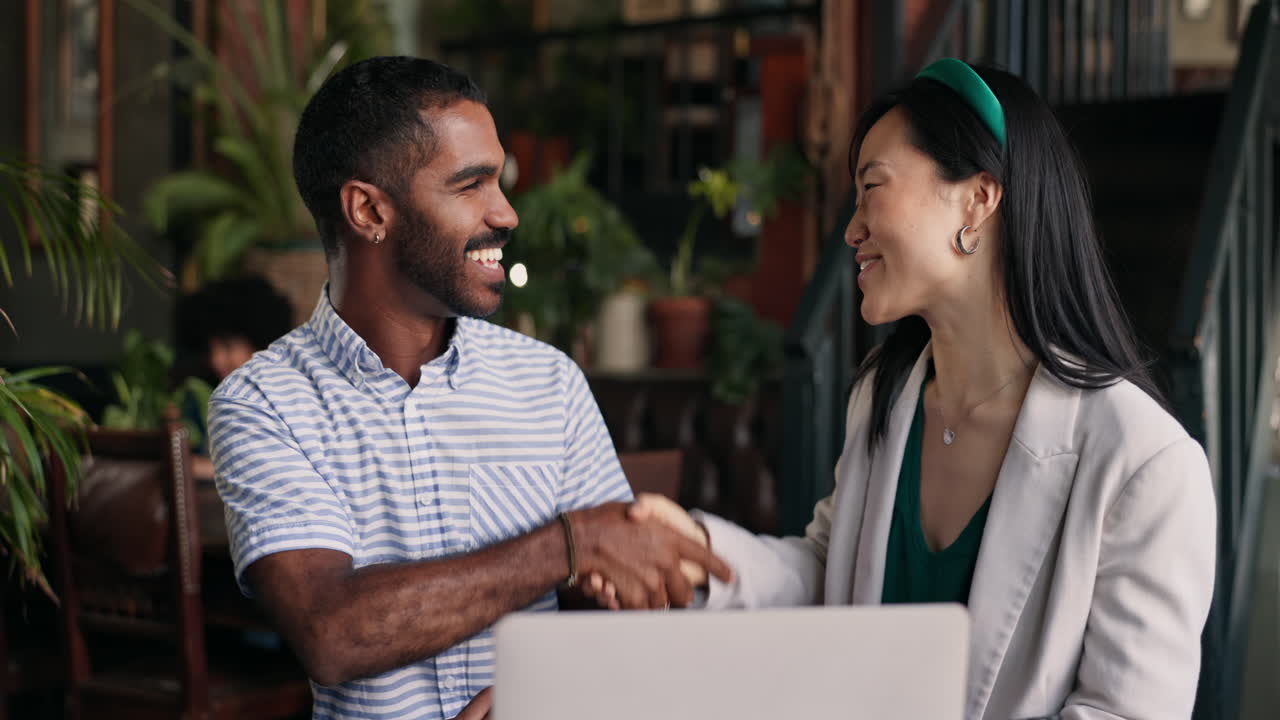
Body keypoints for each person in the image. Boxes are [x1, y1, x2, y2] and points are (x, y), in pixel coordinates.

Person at [619, 59, 1216, 719]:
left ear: (978, 199)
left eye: (872, 187)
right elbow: (834, 574)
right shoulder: (884, 396)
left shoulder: (1145, 464)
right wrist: (701, 553)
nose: (851, 229)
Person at [207, 56, 731, 720]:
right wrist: (568, 544)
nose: (506, 213)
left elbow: (620, 601)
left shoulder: (549, 383)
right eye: (472, 184)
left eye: (499, 181)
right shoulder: (263, 403)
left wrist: (547, 690)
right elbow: (331, 631)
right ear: (368, 209)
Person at [177, 274, 295, 479]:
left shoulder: (287, 402)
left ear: (261, 344)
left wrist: (194, 467)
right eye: (210, 349)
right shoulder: (200, 398)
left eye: (227, 347)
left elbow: (275, 472)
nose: (216, 360)